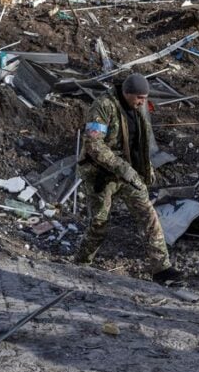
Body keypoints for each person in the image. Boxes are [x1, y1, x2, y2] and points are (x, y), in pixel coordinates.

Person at [75, 73, 183, 284]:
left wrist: (145, 167)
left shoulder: (138, 109)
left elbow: (139, 141)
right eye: (139, 98)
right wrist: (121, 167)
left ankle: (162, 269)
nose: (142, 102)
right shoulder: (103, 106)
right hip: (101, 175)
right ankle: (81, 263)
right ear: (127, 93)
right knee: (99, 223)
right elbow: (93, 144)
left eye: (145, 97)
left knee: (148, 215)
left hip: (129, 175)